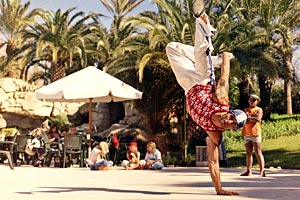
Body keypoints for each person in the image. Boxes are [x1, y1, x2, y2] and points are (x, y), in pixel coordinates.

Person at [166, 0, 247, 195]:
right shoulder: (222, 101)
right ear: (230, 112)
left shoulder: (215, 134)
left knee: (171, 47)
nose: (227, 122)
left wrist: (219, 189)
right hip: (203, 80)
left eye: (231, 125)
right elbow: (224, 78)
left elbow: (212, 161)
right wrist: (226, 58)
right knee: (201, 52)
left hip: (188, 86)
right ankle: (201, 19)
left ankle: (213, 56)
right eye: (231, 118)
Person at [241, 94, 265, 177]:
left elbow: (258, 119)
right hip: (247, 132)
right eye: (251, 100)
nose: (252, 102)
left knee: (258, 152)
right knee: (248, 152)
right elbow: (244, 120)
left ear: (257, 101)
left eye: (254, 100)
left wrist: (248, 118)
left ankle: (262, 171)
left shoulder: (259, 110)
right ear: (248, 101)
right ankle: (248, 171)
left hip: (255, 133)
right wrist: (250, 118)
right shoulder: (246, 110)